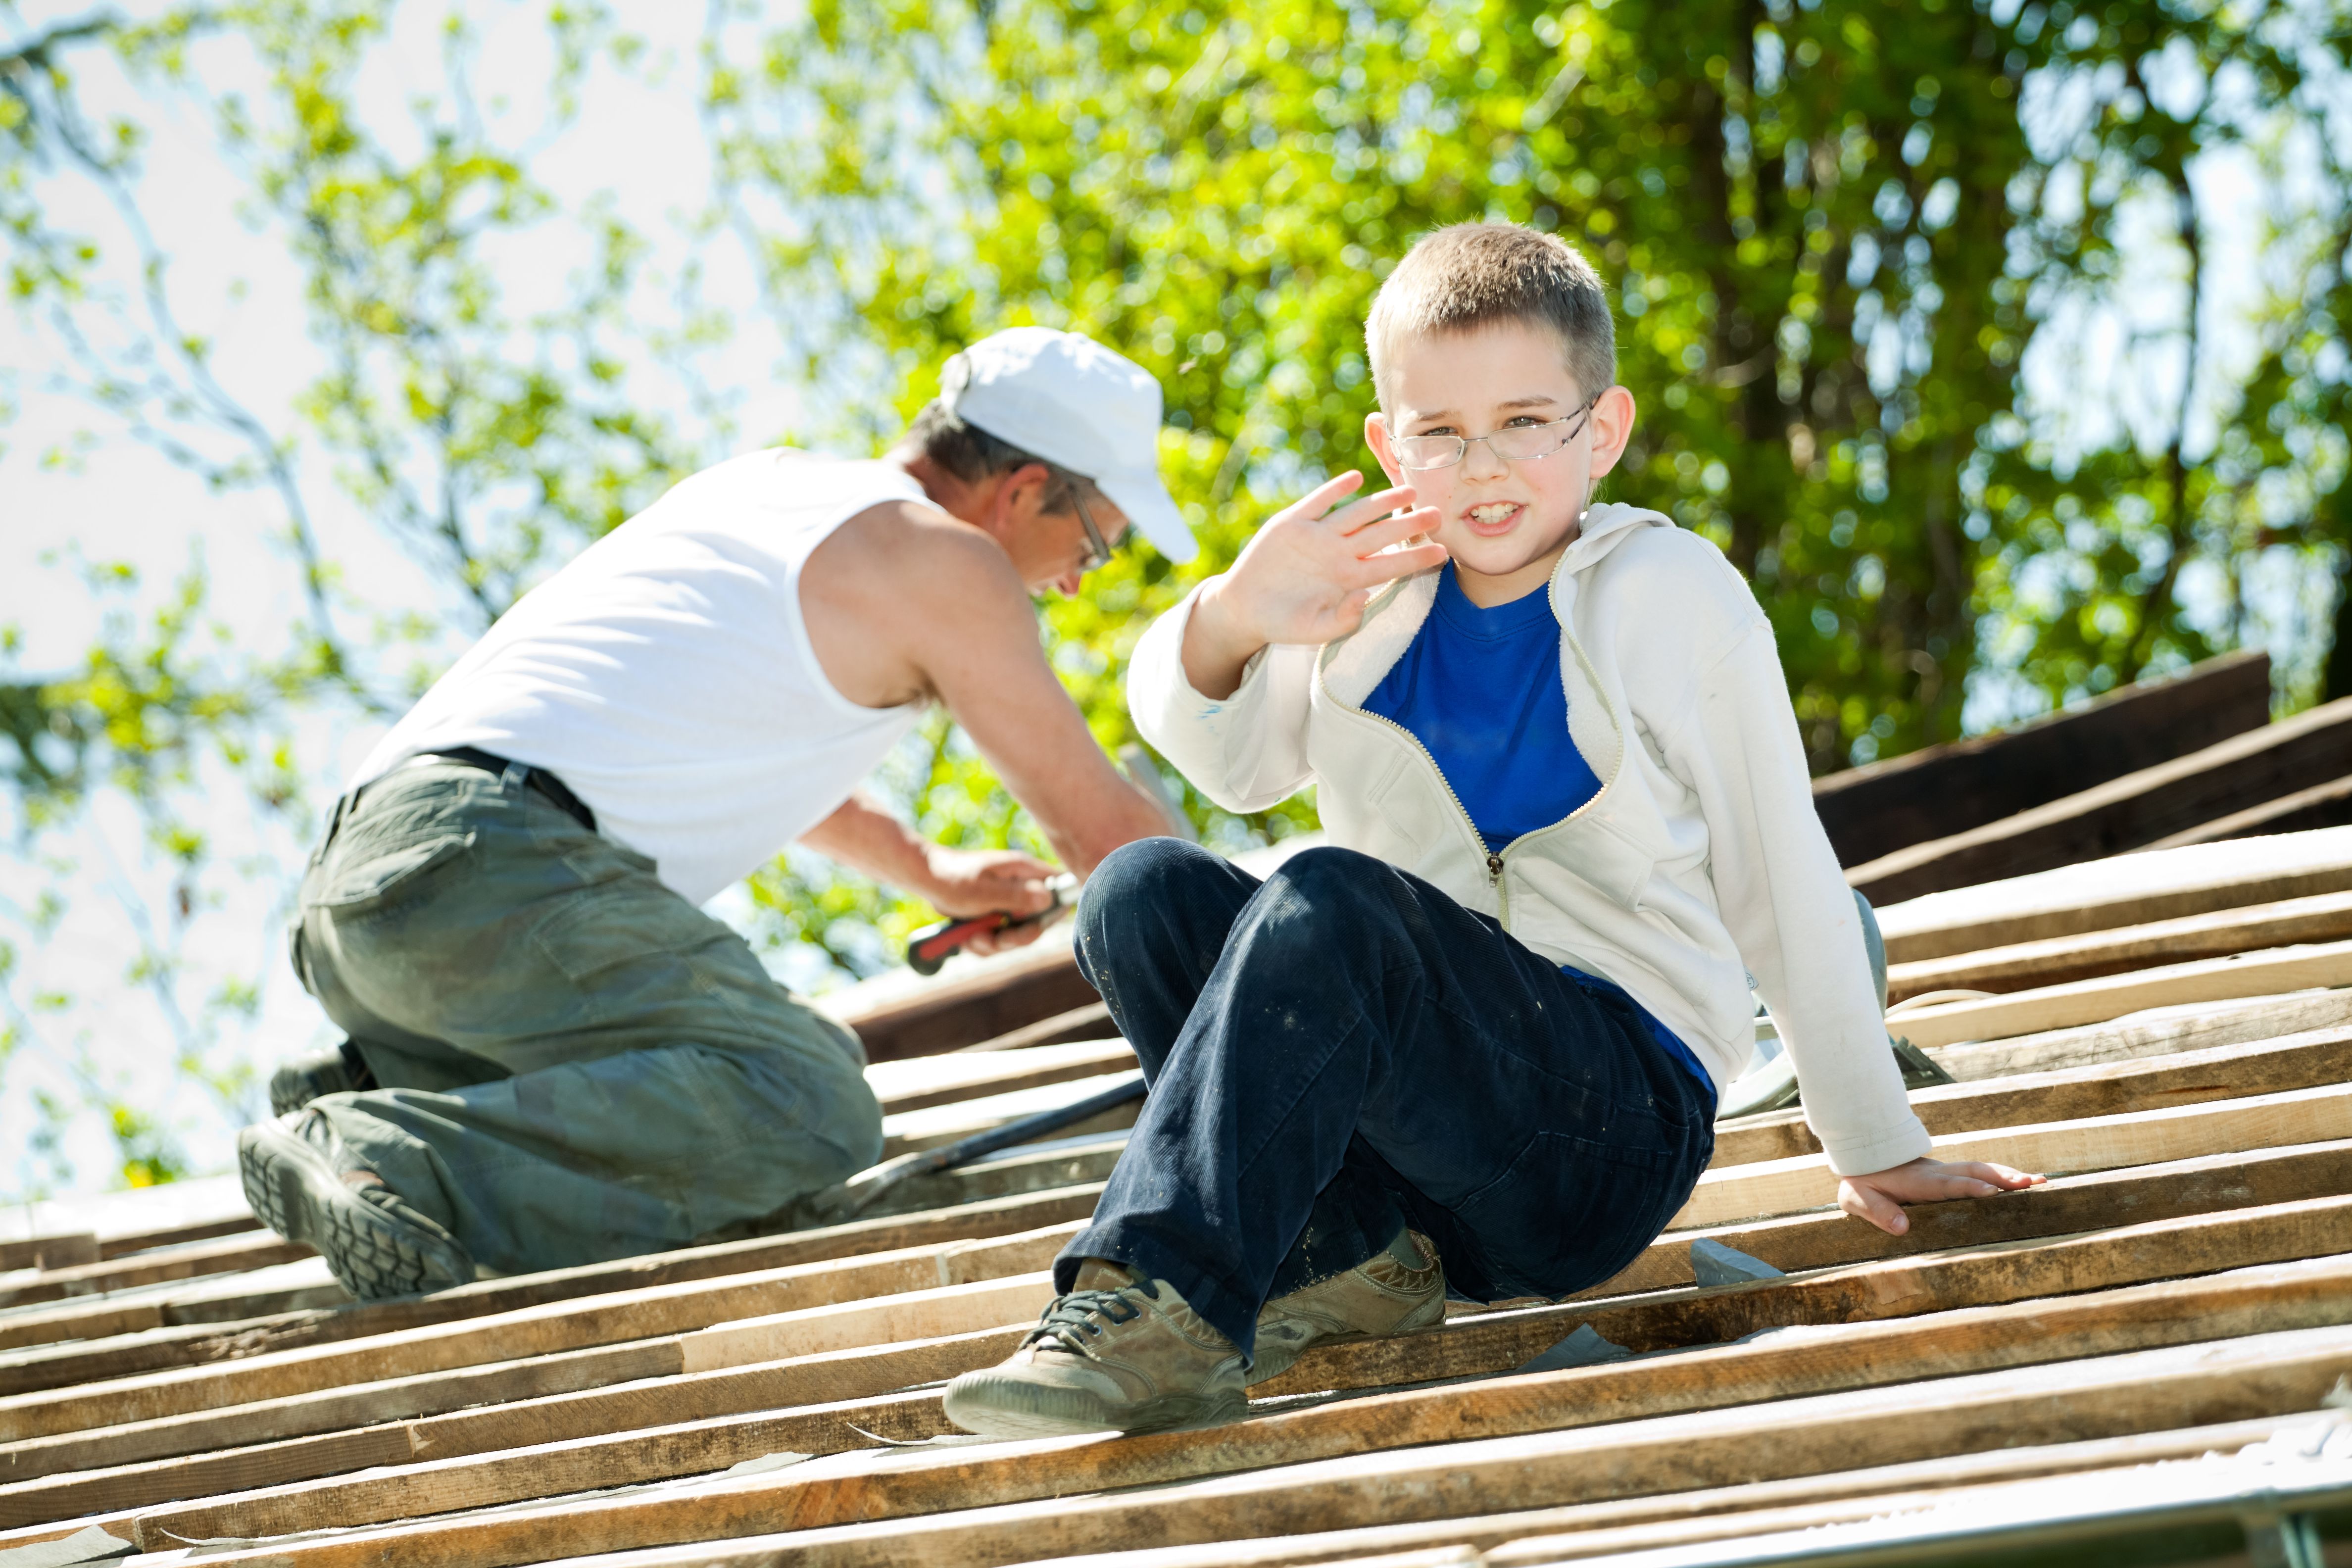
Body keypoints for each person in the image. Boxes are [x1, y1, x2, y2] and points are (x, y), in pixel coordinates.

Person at [943, 224, 2043, 1438]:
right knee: (1140, 892)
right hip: (1420, 1165)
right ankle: (1349, 1261)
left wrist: (1873, 1137)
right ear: (1386, 443)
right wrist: (1236, 614)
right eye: (1440, 434)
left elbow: (1784, 879)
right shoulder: (1371, 600)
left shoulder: (1670, 598)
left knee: (1329, 898)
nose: (1483, 469)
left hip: (1602, 1132)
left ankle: (1159, 1308)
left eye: (1527, 422)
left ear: (1603, 429)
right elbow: (1234, 762)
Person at [244, 328, 1188, 1300]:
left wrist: (929, 871)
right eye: (1096, 536)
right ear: (1026, 486)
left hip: (364, 902)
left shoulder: (768, 492)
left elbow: (735, 736)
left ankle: (402, 1080)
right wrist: (1275, 974)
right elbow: (1106, 840)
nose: (1080, 574)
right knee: (806, 1102)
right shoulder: (942, 559)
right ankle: (385, 1147)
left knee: (704, 1072)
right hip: (489, 873)